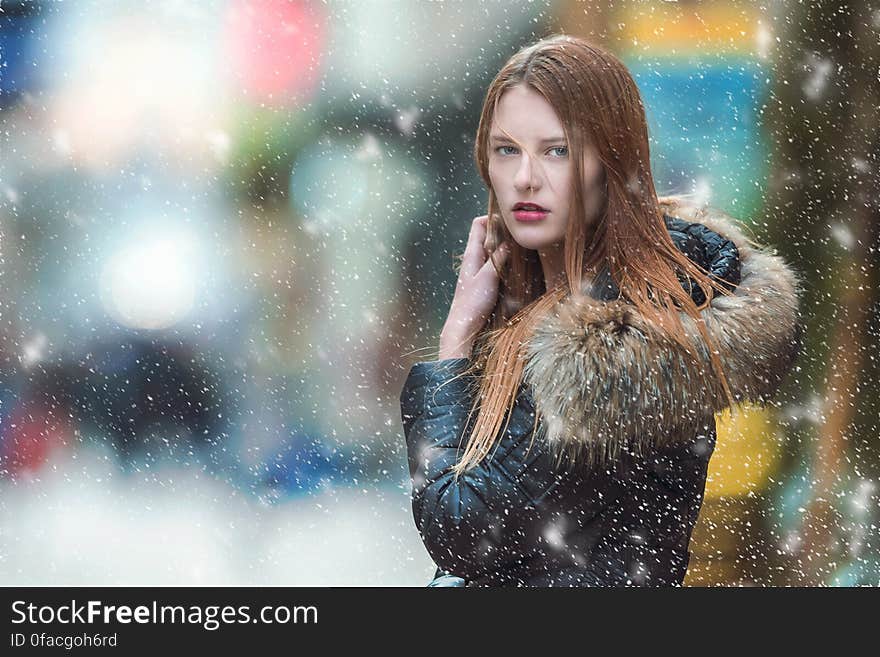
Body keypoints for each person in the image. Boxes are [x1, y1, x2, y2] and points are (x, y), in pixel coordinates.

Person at [399, 34, 802, 587]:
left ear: (611, 163)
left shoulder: (616, 345)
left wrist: (452, 345)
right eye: (507, 149)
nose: (525, 178)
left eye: (557, 150)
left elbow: (461, 532)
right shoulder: (536, 318)